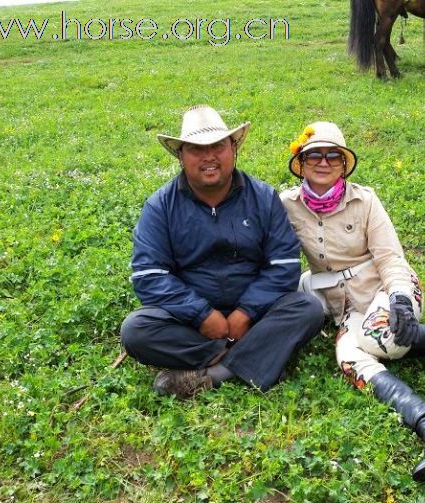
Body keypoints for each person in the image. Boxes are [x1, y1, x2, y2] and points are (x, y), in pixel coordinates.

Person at [279, 121, 425, 481]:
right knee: (348, 358)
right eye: (314, 155)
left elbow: (390, 258)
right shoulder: (286, 205)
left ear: (344, 164)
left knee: (379, 337)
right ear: (301, 164)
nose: (323, 162)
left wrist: (399, 299)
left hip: (386, 288)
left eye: (332, 155)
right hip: (346, 307)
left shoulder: (365, 200)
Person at [120, 105, 324, 399]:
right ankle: (253, 356)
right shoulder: (160, 206)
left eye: (217, 146)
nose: (209, 157)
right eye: (196, 149)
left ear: (234, 148)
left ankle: (216, 374)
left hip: (255, 317)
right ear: (181, 155)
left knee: (308, 309)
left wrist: (245, 312)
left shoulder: (263, 198)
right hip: (190, 322)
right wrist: (202, 315)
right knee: (136, 330)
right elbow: (149, 275)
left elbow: (284, 264)